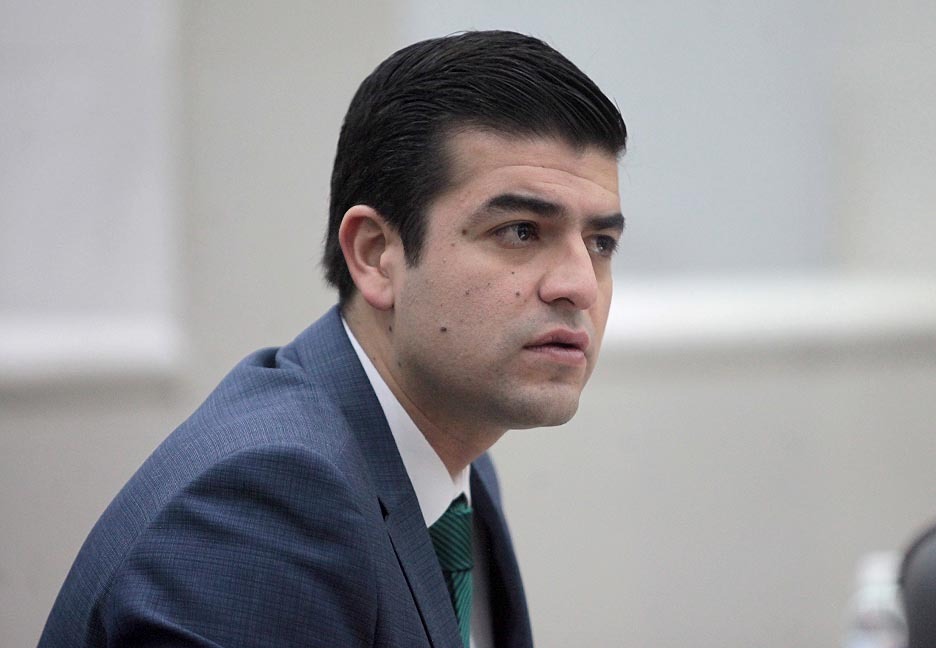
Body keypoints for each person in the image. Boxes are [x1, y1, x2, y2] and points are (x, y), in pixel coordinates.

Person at [39, 30, 627, 648]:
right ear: (375, 255)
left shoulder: (457, 459)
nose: (579, 286)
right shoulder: (271, 501)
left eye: (600, 243)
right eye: (521, 231)